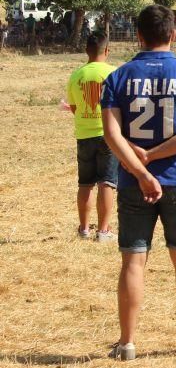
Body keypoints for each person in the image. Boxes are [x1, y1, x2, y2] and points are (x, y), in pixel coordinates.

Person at [100, 5, 176, 360]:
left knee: (133, 261)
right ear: (174, 34)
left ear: (137, 35)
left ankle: (127, 343)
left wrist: (141, 170)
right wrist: (156, 157)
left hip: (134, 183)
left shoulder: (116, 79)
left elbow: (111, 135)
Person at [66, 32, 118, 241]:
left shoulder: (76, 76)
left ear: (86, 50)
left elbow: (74, 107)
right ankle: (103, 231)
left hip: (84, 134)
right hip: (108, 134)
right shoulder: (114, 74)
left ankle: (84, 229)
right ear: (107, 51)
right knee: (107, 183)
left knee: (85, 183)